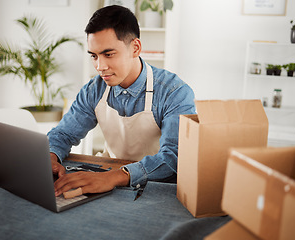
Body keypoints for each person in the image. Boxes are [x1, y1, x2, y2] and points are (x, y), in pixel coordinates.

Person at [48, 5, 196, 197]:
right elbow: (63, 134)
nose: (100, 66)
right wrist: (50, 157)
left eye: (108, 54)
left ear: (135, 48)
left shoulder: (174, 92)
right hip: (111, 177)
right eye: (94, 56)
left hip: (158, 186)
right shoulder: (94, 90)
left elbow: (172, 158)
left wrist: (112, 178)